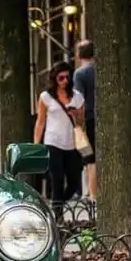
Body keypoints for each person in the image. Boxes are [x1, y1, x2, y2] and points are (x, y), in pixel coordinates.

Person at [33, 61, 85, 219]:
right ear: (54, 79)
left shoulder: (77, 97)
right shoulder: (46, 97)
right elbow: (40, 122)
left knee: (74, 180)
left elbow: (81, 122)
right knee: (57, 178)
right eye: (61, 78)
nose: (65, 81)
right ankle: (58, 215)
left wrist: (76, 115)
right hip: (52, 141)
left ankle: (58, 202)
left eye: (68, 77)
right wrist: (36, 144)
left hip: (72, 143)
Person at [73, 39, 97, 206]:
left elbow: (78, 99)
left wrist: (77, 123)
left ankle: (93, 196)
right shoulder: (100, 70)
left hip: (88, 119)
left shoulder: (80, 74)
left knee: (90, 159)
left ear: (78, 55)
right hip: (100, 117)